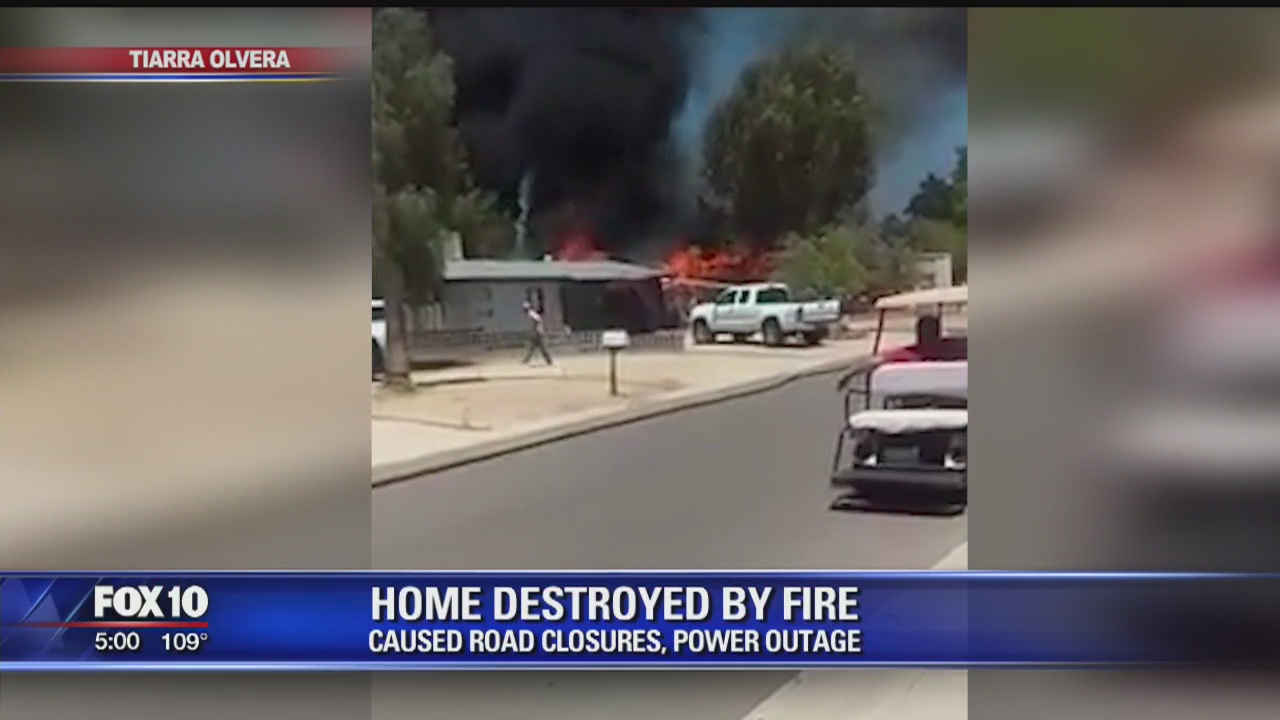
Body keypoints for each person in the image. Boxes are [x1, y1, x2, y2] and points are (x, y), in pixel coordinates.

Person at [881, 314, 967, 363]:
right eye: (926, 330)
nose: (927, 333)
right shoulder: (909, 353)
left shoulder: (949, 347)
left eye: (930, 329)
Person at [521, 300, 554, 366]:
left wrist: (536, 328)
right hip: (537, 332)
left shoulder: (531, 313)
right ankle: (526, 360)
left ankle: (549, 361)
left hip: (538, 332)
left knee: (542, 347)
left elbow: (538, 320)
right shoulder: (530, 313)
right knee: (531, 346)